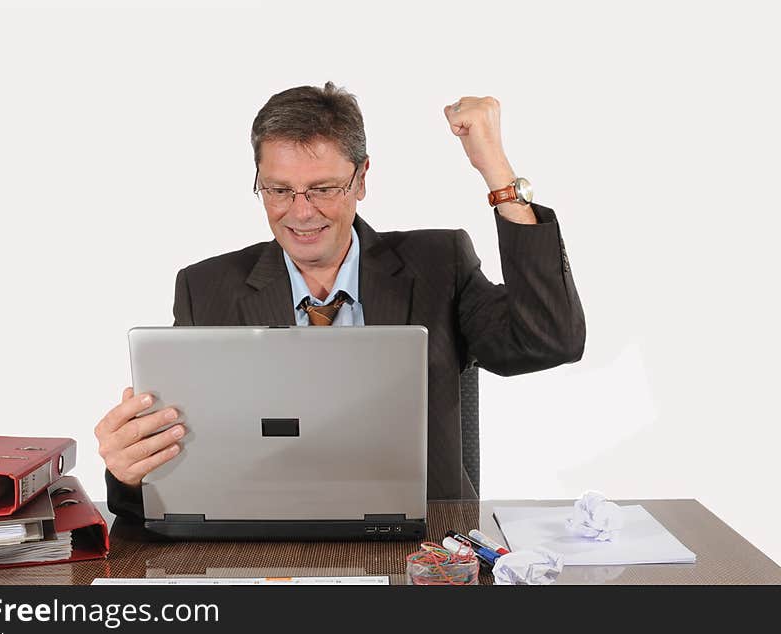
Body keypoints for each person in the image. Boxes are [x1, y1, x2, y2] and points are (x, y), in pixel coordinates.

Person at [95, 82, 586, 518]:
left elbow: (548, 339)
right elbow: (178, 476)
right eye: (278, 190)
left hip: (420, 545)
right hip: (262, 542)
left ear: (362, 178)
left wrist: (496, 172)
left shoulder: (439, 264)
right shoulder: (205, 289)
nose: (301, 213)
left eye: (323, 188)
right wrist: (128, 473)